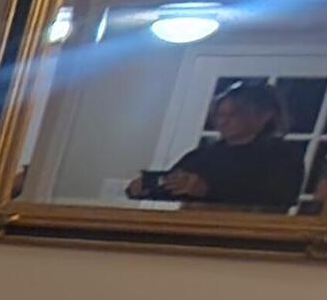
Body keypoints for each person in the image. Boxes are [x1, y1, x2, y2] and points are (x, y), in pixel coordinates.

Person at [129, 80, 305, 208]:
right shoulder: (203, 156)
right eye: (220, 115)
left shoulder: (283, 156)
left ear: (265, 115)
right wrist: (145, 188)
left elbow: (278, 199)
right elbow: (171, 184)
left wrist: (208, 190)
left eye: (234, 115)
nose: (223, 122)